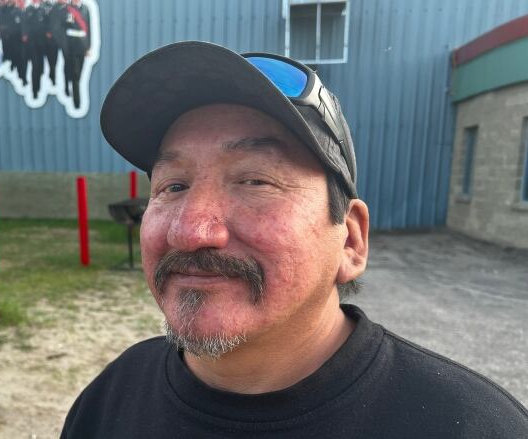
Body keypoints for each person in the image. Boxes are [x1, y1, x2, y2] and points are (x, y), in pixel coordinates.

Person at [61, 41, 528, 438]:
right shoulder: (110, 401)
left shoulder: (470, 427)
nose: (190, 231)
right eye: (172, 186)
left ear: (350, 241)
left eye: (255, 181)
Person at [62, 0, 89, 108]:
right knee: (75, 74)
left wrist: (88, 46)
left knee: (79, 74)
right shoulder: (67, 9)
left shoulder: (85, 9)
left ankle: (71, 86)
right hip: (71, 45)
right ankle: (76, 102)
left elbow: (88, 28)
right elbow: (63, 28)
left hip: (82, 46)